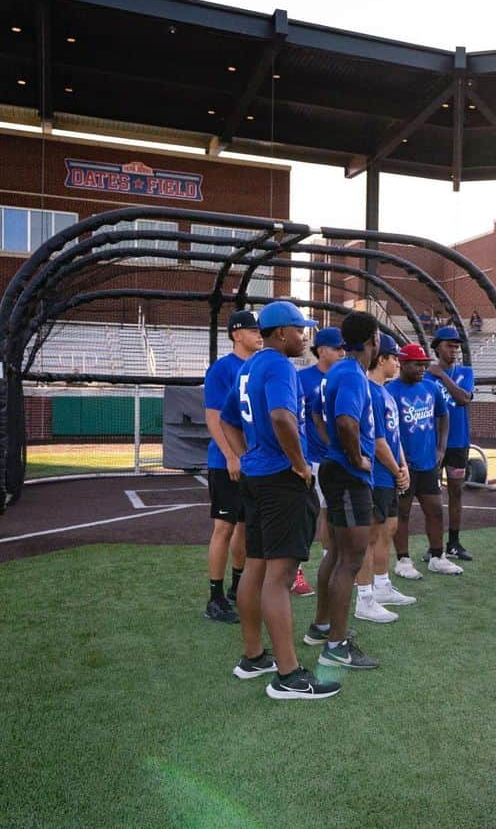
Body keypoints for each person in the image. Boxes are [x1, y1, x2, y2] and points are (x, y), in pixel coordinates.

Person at [219, 300, 340, 700]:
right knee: (280, 577)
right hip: (279, 481)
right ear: (282, 332)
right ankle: (288, 675)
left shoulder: (249, 365)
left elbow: (226, 420)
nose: (304, 336)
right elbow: (282, 418)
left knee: (255, 567)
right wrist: (301, 466)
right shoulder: (278, 366)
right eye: (299, 329)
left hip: (257, 478)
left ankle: (254, 656)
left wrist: (244, 456)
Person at [303, 311, 382, 670]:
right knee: (350, 560)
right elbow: (346, 421)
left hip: (336, 470)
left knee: (335, 554)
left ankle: (322, 626)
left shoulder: (338, 371)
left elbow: (320, 415)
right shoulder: (351, 373)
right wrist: (356, 457)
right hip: (349, 476)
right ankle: (336, 644)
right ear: (372, 339)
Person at [202, 309, 261, 624]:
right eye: (252, 330)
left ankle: (239, 588)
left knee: (244, 527)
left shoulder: (257, 366)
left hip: (252, 461)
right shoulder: (222, 369)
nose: (258, 335)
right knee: (223, 527)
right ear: (237, 334)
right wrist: (230, 455)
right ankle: (215, 597)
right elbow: (214, 417)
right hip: (226, 461)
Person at [355, 333, 417, 619]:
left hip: (390, 474)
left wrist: (402, 467)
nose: (397, 363)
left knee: (388, 529)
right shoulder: (369, 391)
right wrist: (395, 470)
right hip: (378, 476)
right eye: (395, 358)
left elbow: (395, 437)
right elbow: (378, 441)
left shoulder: (386, 393)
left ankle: (381, 585)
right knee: (371, 535)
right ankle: (364, 597)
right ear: (382, 360)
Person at [386, 343, 461, 575]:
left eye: (424, 364)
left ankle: (437, 556)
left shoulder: (431, 388)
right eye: (417, 364)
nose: (422, 369)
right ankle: (403, 560)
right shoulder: (390, 391)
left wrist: (441, 448)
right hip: (403, 465)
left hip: (428, 463)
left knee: (436, 510)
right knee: (403, 513)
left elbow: (443, 415)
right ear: (403, 363)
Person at [295, 326, 346, 598]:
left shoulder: (346, 377)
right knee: (306, 518)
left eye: (343, 348)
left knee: (330, 515)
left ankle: (330, 561)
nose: (342, 352)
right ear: (321, 350)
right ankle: (296, 573)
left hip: (335, 460)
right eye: (337, 348)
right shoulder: (303, 378)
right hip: (310, 459)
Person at [426, 326, 475, 561]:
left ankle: (454, 543)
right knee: (431, 496)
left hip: (458, 443)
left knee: (456, 492)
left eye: (456, 346)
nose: (454, 350)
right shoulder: (424, 375)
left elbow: (464, 398)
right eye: (449, 345)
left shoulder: (465, 372)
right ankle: (433, 546)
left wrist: (442, 376)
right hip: (431, 444)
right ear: (437, 347)